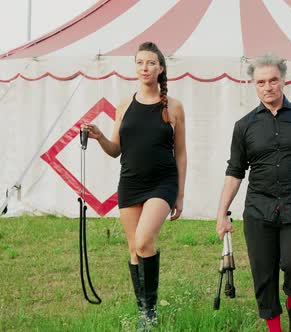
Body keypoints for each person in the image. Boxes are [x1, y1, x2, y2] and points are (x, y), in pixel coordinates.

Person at [215, 53, 291, 332]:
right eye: (261, 82)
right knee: (263, 274)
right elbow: (235, 171)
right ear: (254, 85)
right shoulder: (244, 126)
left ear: (283, 80)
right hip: (258, 209)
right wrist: (222, 212)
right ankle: (276, 328)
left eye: (273, 81)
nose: (267, 87)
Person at [82, 42, 187, 330]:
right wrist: (101, 136)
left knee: (143, 242)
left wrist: (179, 193)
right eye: (140, 62)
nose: (144, 68)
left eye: (151, 63)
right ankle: (145, 313)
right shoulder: (124, 105)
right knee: (133, 249)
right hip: (130, 182)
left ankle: (149, 312)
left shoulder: (174, 106)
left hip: (162, 183)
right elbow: (116, 149)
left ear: (161, 68)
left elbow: (181, 152)